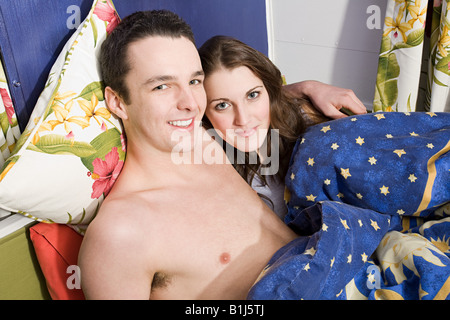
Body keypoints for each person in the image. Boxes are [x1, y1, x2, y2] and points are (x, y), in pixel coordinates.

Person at [78, 10, 364, 300]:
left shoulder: (203, 140)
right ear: (117, 102)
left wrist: (306, 88)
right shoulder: (122, 232)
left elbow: (241, 101)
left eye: (194, 81)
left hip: (352, 271)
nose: (190, 103)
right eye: (162, 86)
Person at [198, 36, 366, 219]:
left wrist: (307, 87)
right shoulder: (206, 156)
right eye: (222, 105)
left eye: (253, 95)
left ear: (269, 92)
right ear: (205, 113)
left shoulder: (307, 119)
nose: (243, 119)